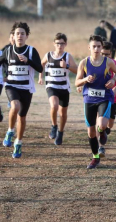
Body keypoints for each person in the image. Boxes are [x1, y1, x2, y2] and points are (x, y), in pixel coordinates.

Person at [75, 35, 116, 169]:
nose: (96, 49)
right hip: (89, 99)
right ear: (89, 47)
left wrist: (112, 81)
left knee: (101, 124)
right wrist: (85, 80)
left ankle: (103, 131)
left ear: (101, 47)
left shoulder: (108, 62)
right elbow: (77, 81)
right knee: (90, 132)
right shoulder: (83, 63)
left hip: (104, 98)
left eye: (98, 46)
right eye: (93, 46)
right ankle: (95, 157)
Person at [1, 22, 43, 158]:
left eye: (22, 33)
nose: (19, 36)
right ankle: (10, 131)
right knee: (15, 106)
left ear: (27, 36)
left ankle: (18, 143)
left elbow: (40, 68)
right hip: (12, 86)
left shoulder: (31, 51)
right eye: (17, 33)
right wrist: (4, 75)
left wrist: (28, 61)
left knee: (22, 118)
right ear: (13, 35)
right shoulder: (8, 51)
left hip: (26, 88)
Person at [38, 33, 78, 145]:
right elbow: (41, 64)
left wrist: (67, 66)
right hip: (51, 86)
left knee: (63, 113)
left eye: (62, 43)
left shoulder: (67, 56)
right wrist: (40, 77)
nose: (59, 46)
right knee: (54, 106)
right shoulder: (48, 55)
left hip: (64, 87)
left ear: (65, 44)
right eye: (57, 43)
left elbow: (77, 70)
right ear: (54, 44)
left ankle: (60, 132)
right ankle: (54, 126)